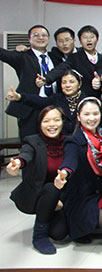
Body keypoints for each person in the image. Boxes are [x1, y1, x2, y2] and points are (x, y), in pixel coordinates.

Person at [7, 106, 68, 254]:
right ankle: (39, 235)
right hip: (39, 194)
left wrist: (60, 200)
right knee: (51, 187)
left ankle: (53, 214)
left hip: (62, 197)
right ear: (40, 124)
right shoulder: (33, 141)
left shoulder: (69, 142)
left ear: (62, 122)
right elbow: (26, 155)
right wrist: (18, 163)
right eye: (46, 121)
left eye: (56, 120)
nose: (52, 124)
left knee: (59, 234)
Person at [55, 97, 102, 243]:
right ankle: (79, 228)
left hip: (101, 191)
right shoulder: (73, 141)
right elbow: (70, 160)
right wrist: (65, 172)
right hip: (82, 197)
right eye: (86, 114)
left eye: (95, 114)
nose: (91, 118)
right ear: (78, 116)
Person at [0, 25, 61, 138]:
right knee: (30, 142)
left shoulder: (55, 57)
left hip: (53, 106)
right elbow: (3, 54)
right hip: (30, 108)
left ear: (48, 39)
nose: (40, 38)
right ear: (29, 39)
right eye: (36, 35)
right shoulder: (22, 57)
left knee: (53, 143)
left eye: (44, 35)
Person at [6, 69, 90, 135]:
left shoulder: (87, 101)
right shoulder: (56, 98)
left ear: (79, 84)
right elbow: (38, 101)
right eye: (64, 82)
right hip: (60, 141)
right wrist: (19, 97)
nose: (67, 85)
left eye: (71, 82)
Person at [44, 25, 102, 96]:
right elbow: (61, 68)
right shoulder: (73, 57)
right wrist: (47, 79)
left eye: (91, 37)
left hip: (100, 97)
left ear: (97, 39)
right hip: (80, 97)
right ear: (80, 41)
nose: (89, 40)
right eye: (85, 37)